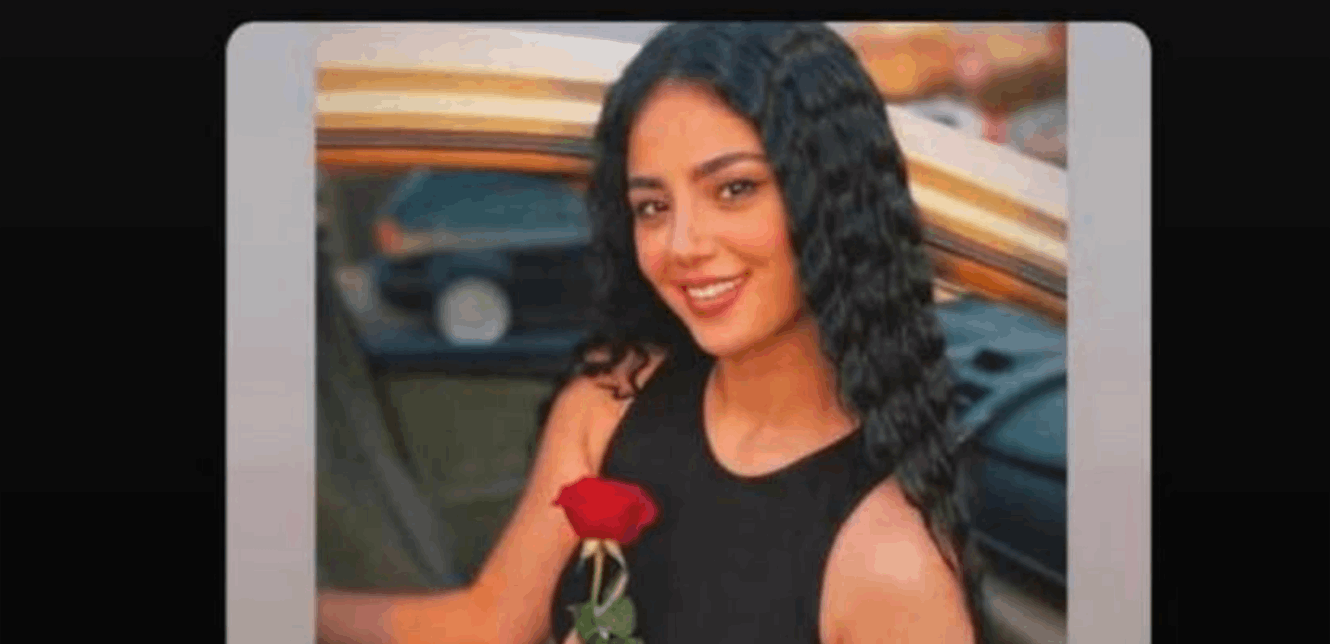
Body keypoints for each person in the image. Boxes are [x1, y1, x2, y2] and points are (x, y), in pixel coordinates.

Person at [319, 22, 988, 644]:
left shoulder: (891, 562)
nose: (682, 244)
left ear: (828, 198)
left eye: (733, 189)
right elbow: (486, 625)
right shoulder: (612, 397)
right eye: (652, 206)